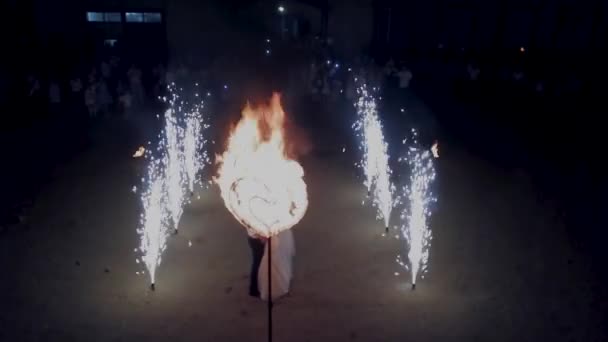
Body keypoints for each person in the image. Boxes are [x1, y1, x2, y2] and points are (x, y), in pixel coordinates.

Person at [257, 229, 295, 301]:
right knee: (279, 263)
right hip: (277, 239)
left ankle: (273, 289)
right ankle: (279, 286)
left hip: (274, 240)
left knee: (273, 264)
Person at [247, 231, 266, 297]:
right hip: (257, 239)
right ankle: (253, 289)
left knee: (258, 263)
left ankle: (254, 288)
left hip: (253, 238)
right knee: (257, 264)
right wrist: (262, 237)